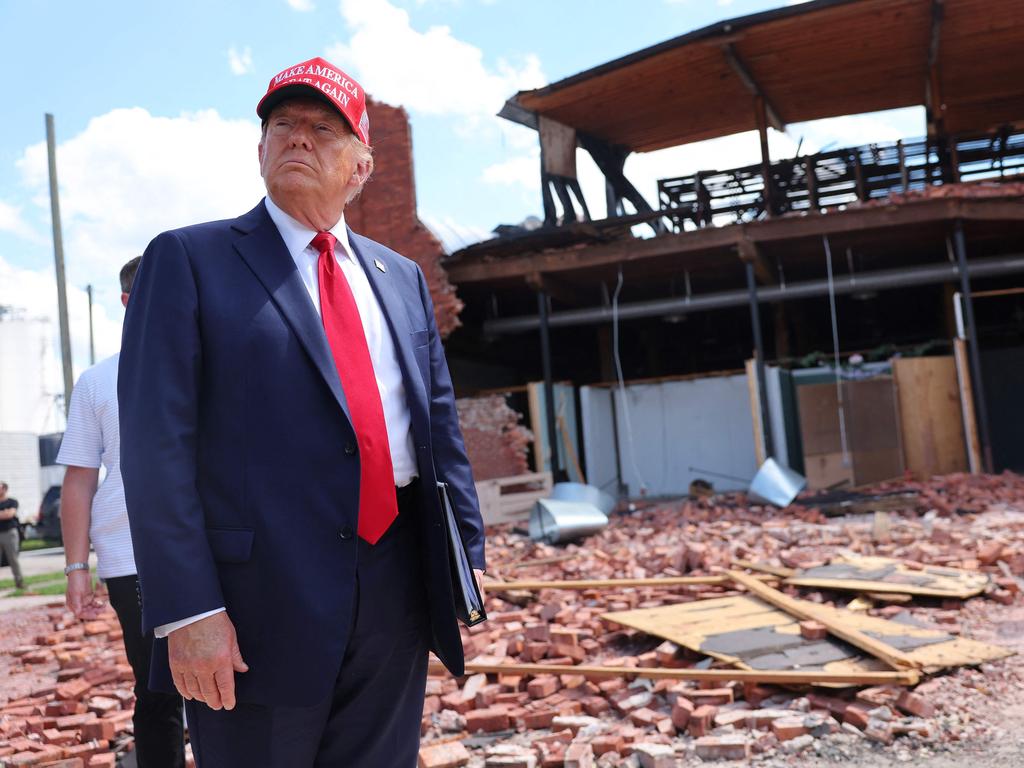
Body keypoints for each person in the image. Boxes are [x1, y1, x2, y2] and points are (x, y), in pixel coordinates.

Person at [118, 56, 486, 767]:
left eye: (322, 128)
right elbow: (155, 448)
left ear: (361, 165)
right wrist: (189, 611)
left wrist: (462, 558)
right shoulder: (189, 261)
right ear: (259, 150)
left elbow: (438, 430)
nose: (297, 139)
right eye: (281, 125)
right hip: (254, 604)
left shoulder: (399, 278)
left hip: (396, 587)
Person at [57, 256, 185, 768]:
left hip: (218, 546)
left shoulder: (211, 364)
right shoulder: (97, 381)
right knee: (157, 690)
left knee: (231, 680)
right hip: (132, 557)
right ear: (129, 302)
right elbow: (80, 478)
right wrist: (75, 568)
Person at [0, 482, 24, 589]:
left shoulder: (12, 502)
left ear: (4, 489)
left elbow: (10, 514)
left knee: (13, 559)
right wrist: (4, 513)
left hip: (10, 533)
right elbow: (6, 514)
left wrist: (6, 513)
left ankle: (19, 583)